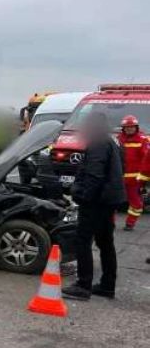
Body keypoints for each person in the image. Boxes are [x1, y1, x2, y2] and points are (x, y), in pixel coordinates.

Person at [63, 111, 126, 301]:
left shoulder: (98, 143)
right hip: (109, 200)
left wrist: (82, 197)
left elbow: (94, 175)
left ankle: (83, 285)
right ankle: (107, 285)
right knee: (106, 242)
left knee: (82, 241)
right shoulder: (112, 141)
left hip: (97, 201)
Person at [118, 115, 149, 230]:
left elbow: (146, 159)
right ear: (123, 128)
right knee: (111, 201)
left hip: (134, 179)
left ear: (136, 127)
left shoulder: (142, 140)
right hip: (118, 177)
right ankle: (109, 224)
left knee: (136, 203)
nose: (129, 129)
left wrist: (144, 177)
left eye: (131, 127)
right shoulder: (118, 139)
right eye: (127, 127)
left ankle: (130, 223)